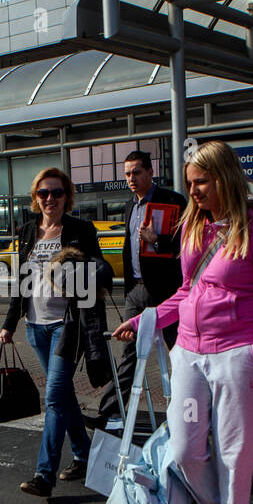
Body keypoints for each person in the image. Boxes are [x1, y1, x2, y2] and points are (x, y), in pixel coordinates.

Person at [113, 140, 253, 504]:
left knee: (234, 459)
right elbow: (187, 290)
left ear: (225, 177)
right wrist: (145, 319)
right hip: (188, 351)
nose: (193, 191)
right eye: (189, 183)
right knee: (188, 449)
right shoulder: (196, 223)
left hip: (238, 354)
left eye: (201, 182)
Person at [0, 168, 111, 497]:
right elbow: (22, 281)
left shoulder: (80, 229)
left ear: (67, 197)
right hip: (36, 326)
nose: (51, 198)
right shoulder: (29, 231)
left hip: (68, 325)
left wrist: (86, 270)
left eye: (57, 193)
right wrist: (10, 323)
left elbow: (100, 267)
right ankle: (85, 454)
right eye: (44, 193)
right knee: (63, 397)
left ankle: (43, 475)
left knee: (53, 398)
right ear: (36, 198)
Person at [94, 150, 187, 430]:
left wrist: (157, 241)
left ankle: (189, 410)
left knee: (179, 352)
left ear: (150, 172)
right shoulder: (129, 206)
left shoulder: (172, 201)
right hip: (136, 289)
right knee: (130, 351)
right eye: (127, 174)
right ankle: (111, 412)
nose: (131, 179)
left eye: (136, 172)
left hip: (167, 291)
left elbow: (185, 247)